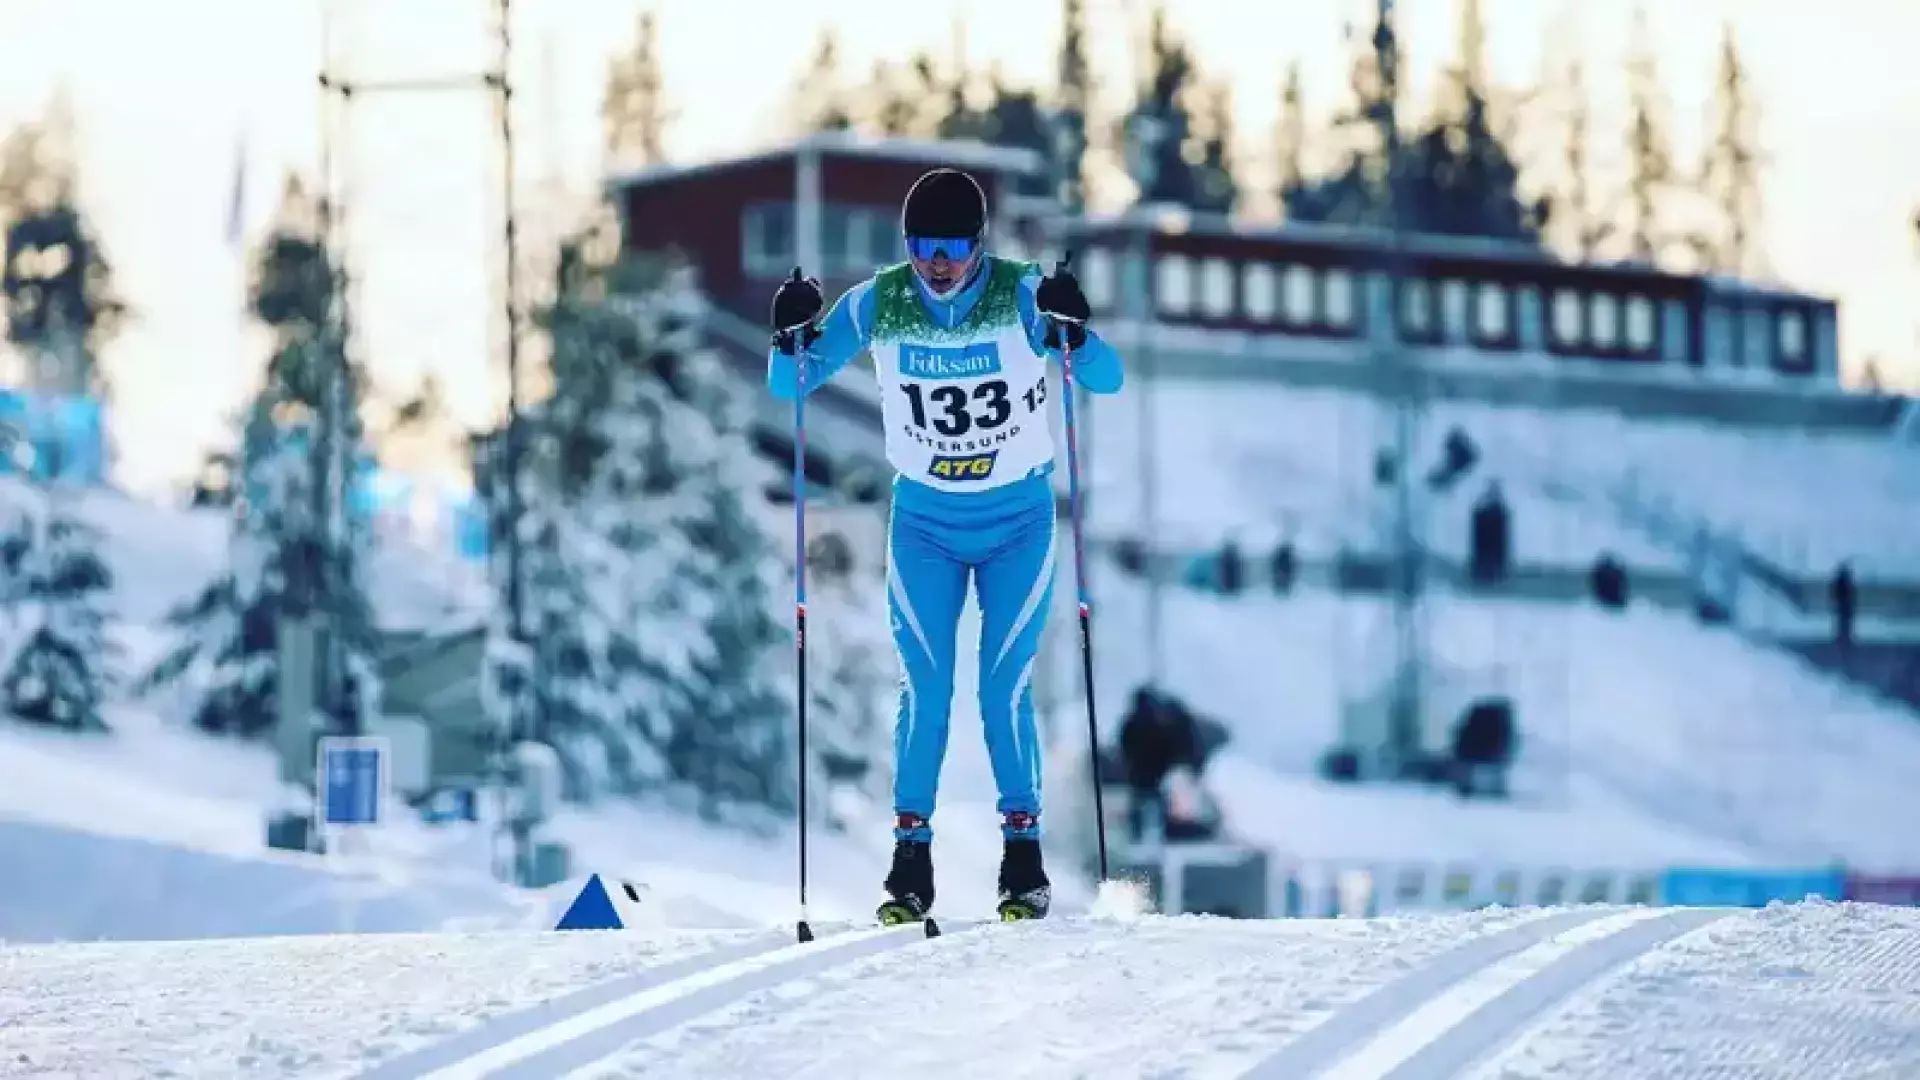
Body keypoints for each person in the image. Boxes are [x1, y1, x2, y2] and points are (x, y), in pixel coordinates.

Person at [766, 167, 1125, 923]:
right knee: (926, 691)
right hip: (925, 523)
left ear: (978, 245)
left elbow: (1107, 378)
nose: (938, 263)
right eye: (924, 246)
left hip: (1017, 523)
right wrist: (787, 332)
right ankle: (909, 866)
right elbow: (788, 386)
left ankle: (1022, 860)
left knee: (1001, 690)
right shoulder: (880, 302)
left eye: (954, 247)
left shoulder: (1021, 294)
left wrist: (1078, 331)